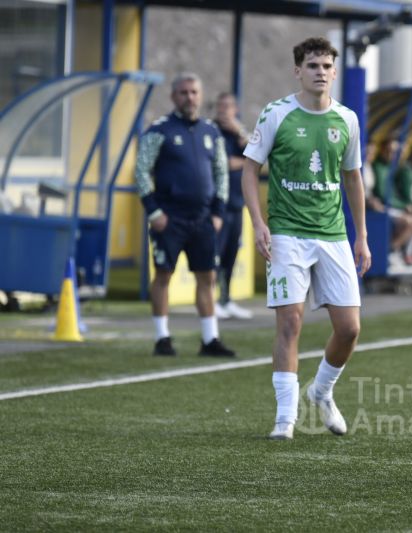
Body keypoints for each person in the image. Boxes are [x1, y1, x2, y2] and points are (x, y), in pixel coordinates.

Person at [241, 37, 371, 440]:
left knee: (349, 329)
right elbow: (249, 170)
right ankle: (285, 418)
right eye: (312, 65)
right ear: (298, 71)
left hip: (332, 234)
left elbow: (353, 178)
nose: (320, 72)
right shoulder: (276, 113)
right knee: (290, 322)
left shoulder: (347, 119)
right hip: (286, 233)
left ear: (335, 72)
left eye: (326, 66)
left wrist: (362, 236)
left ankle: (322, 390)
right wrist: (258, 223)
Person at [135, 72, 236, 358]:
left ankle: (210, 339)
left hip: (203, 219)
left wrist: (218, 212)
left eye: (194, 92)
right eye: (183, 93)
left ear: (200, 96)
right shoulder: (159, 130)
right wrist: (153, 211)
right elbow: (141, 170)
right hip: (169, 218)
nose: (189, 98)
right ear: (173, 96)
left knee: (207, 277)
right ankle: (162, 338)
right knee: (163, 275)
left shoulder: (211, 132)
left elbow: (221, 172)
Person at [213, 92, 254, 320]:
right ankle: (211, 300)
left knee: (231, 253)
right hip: (217, 204)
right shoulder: (212, 131)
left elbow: (259, 156)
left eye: (228, 106)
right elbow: (225, 163)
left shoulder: (239, 133)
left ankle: (226, 299)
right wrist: (246, 161)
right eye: (220, 106)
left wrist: (240, 132)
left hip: (237, 203)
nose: (224, 110)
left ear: (235, 109)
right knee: (215, 253)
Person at [369, 137, 412, 264]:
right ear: (382, 149)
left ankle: (396, 251)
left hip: (391, 206)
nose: (391, 155)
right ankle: (390, 251)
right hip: (381, 206)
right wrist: (403, 206)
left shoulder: (391, 168)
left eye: (394, 152)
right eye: (389, 151)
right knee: (409, 222)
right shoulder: (378, 167)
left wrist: (404, 205)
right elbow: (382, 194)